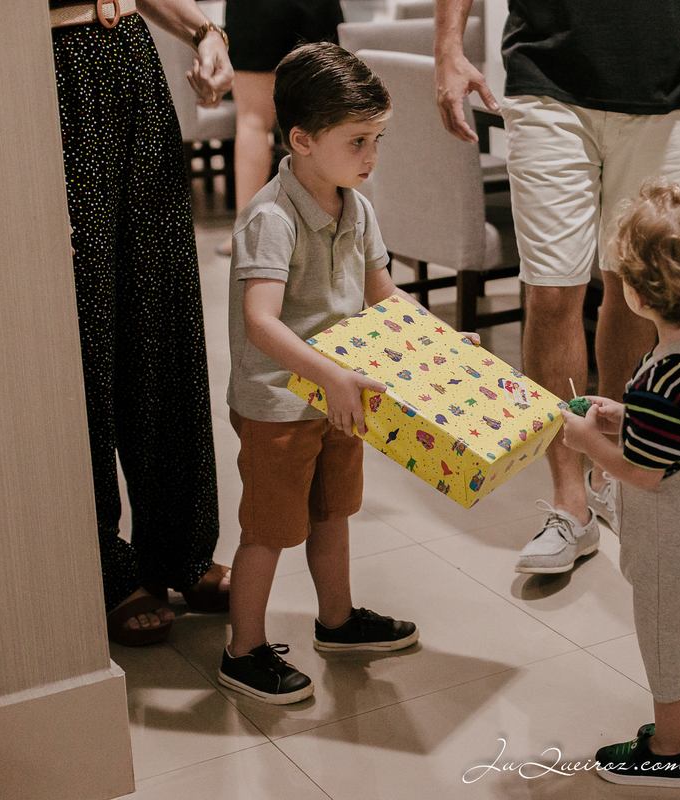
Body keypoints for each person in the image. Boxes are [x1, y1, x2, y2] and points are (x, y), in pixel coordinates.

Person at [434, 0, 680, 574]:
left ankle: (611, 474)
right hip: (548, 79)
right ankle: (570, 505)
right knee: (550, 293)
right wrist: (447, 48)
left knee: (637, 292)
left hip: (669, 86)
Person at [219, 43, 471, 704]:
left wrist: (443, 343)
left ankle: (338, 622)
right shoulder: (271, 218)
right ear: (302, 140)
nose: (372, 156)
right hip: (280, 404)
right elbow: (260, 322)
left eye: (377, 139)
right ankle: (243, 650)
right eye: (358, 141)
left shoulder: (356, 207)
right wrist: (329, 376)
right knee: (269, 531)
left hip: (339, 395)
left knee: (333, 512)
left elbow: (385, 295)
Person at [50, 0, 234, 647]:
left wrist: (204, 31)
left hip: (130, 57)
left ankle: (181, 547)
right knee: (85, 330)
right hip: (47, 73)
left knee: (164, 311)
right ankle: (103, 567)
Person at [561, 181, 680, 788]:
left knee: (669, 652)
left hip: (672, 554)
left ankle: (667, 752)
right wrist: (625, 417)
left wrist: (588, 442)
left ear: (636, 295)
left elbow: (645, 471)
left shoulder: (661, 379)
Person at [217, 0, 345, 257]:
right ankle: (324, 229)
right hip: (315, 6)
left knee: (253, 122)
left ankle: (247, 232)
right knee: (323, 120)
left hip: (255, 9)